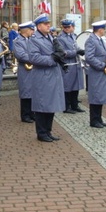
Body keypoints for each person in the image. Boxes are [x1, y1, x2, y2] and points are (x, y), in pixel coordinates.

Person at [28, 14, 65, 142]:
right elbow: (34, 58)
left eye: (49, 23)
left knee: (51, 105)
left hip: (53, 74)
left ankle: (48, 131)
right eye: (45, 24)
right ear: (38, 26)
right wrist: (52, 58)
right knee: (42, 105)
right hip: (42, 76)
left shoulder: (50, 36)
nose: (48, 25)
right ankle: (41, 132)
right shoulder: (34, 39)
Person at [84, 20, 106, 128]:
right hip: (96, 73)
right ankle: (94, 120)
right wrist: (102, 66)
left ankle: (99, 118)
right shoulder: (91, 40)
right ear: (100, 30)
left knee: (100, 96)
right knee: (96, 96)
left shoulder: (100, 40)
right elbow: (89, 58)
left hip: (102, 73)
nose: (105, 31)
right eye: (104, 29)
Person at [58, 19, 85, 113]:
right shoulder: (60, 38)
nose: (66, 29)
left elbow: (76, 47)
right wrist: (75, 52)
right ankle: (66, 106)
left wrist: (81, 51)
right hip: (68, 64)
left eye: (68, 27)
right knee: (67, 87)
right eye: (65, 27)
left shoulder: (74, 36)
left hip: (76, 63)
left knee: (75, 86)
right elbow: (62, 52)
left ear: (73, 27)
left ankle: (75, 105)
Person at [13, 21, 35, 123]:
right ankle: (25, 115)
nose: (33, 31)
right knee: (26, 92)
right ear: (26, 30)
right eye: (31, 29)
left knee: (33, 92)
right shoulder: (18, 41)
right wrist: (35, 58)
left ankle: (32, 113)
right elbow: (21, 55)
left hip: (34, 69)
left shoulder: (32, 39)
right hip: (25, 69)